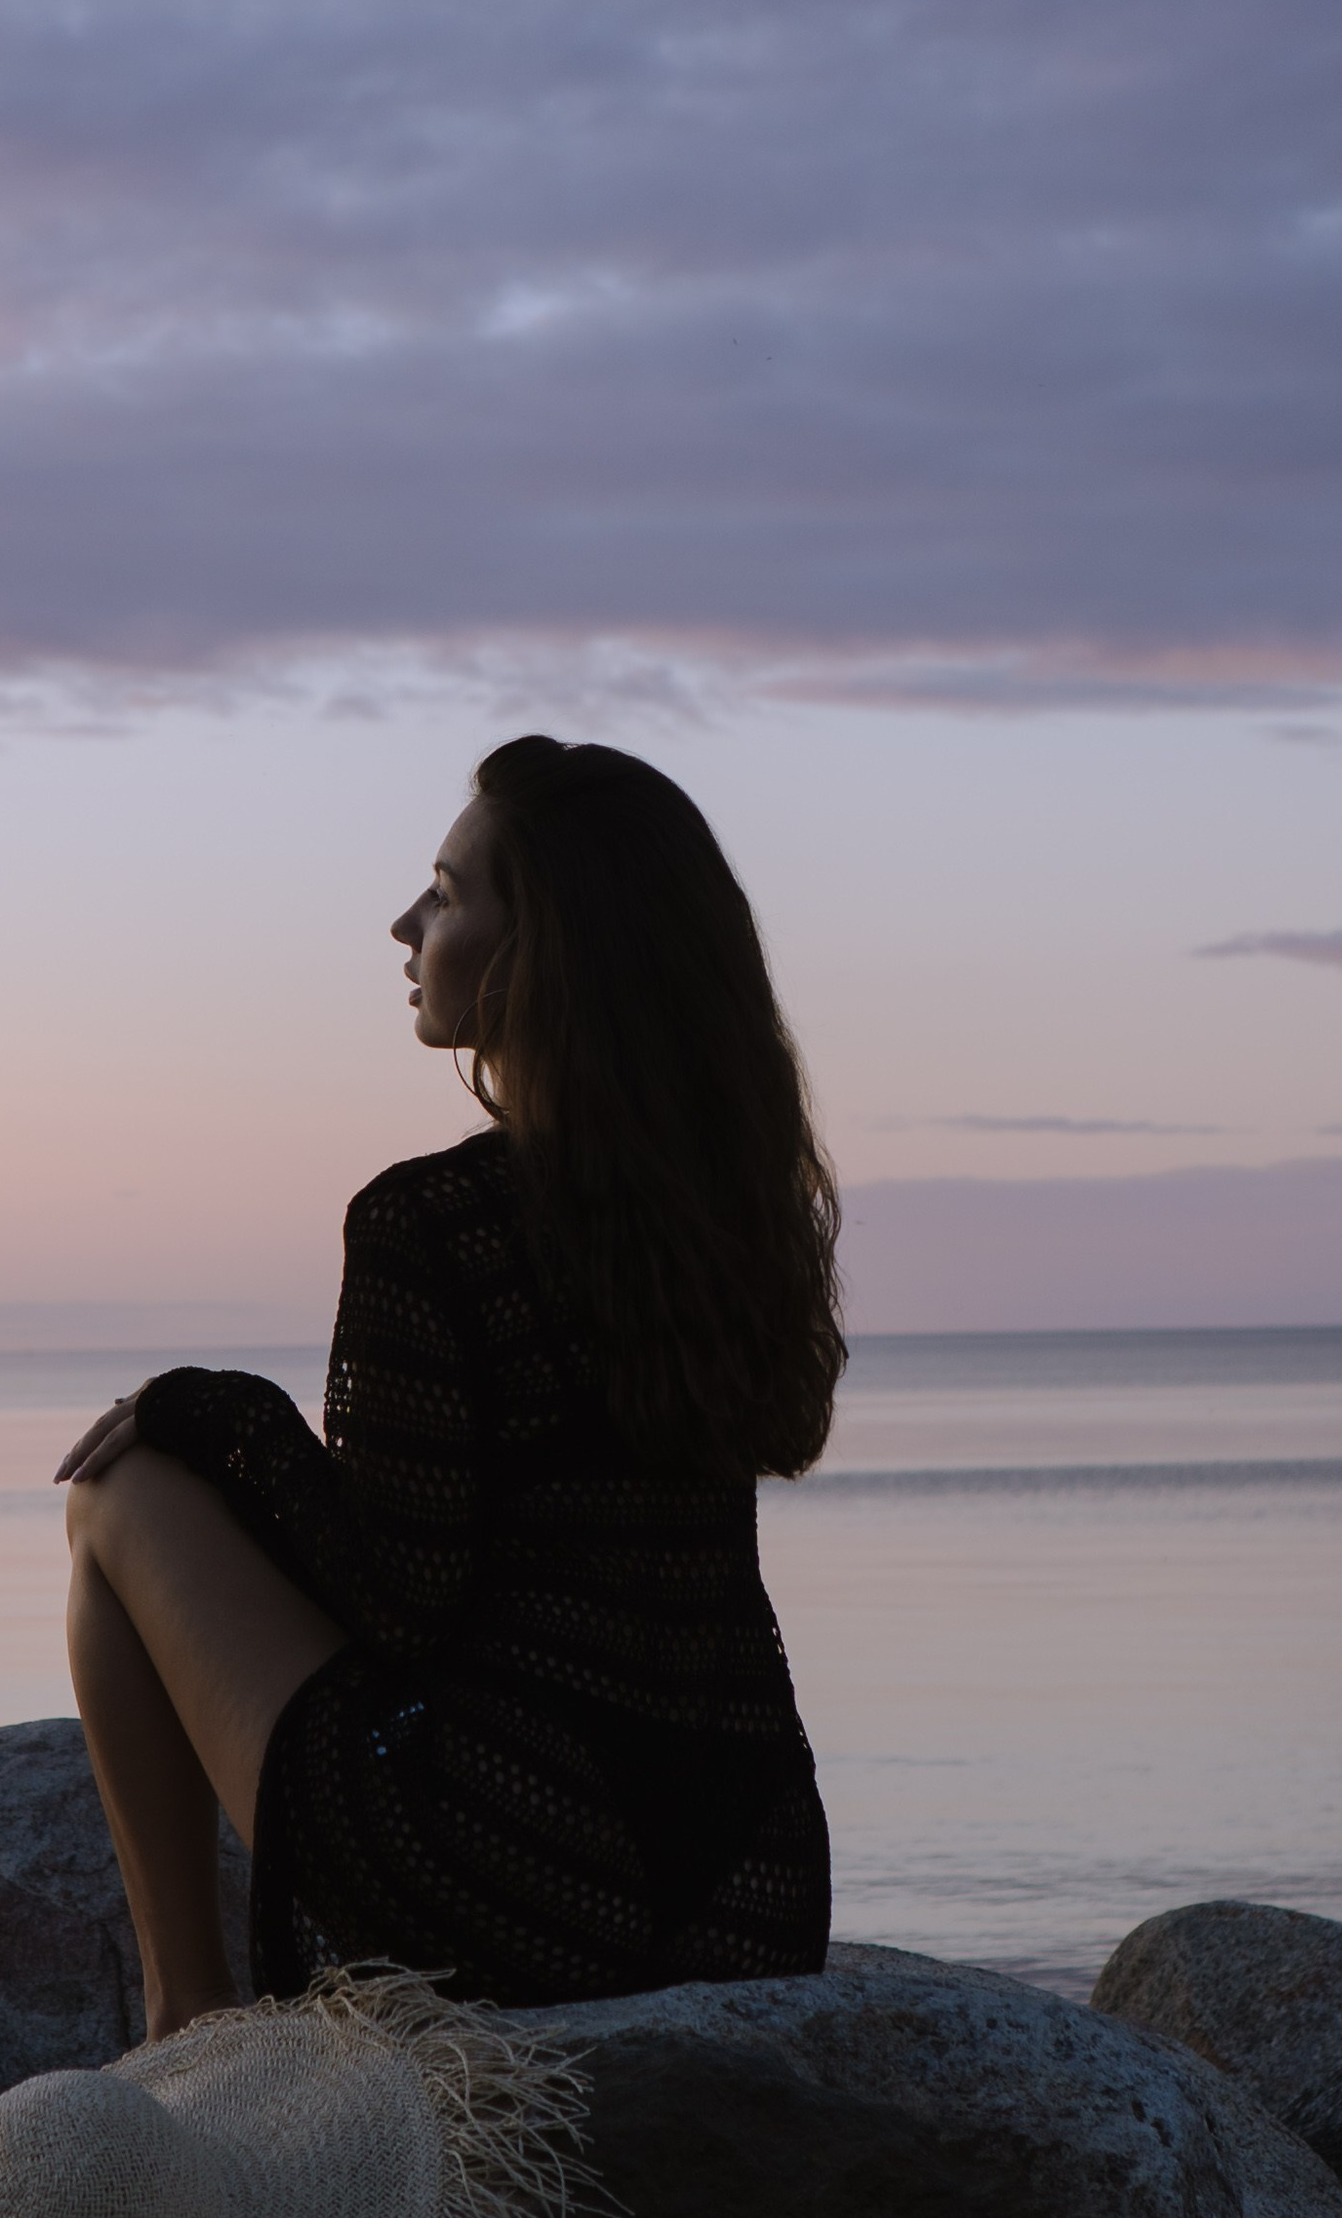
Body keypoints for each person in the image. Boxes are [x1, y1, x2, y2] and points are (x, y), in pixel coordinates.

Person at [57, 732, 843, 2034]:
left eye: (446, 889)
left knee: (120, 1492)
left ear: (543, 948)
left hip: (511, 1870)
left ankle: (185, 2020)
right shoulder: (741, 1220)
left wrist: (224, 1416)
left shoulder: (438, 1223)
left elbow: (399, 1602)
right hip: (749, 1890)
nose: (405, 923)